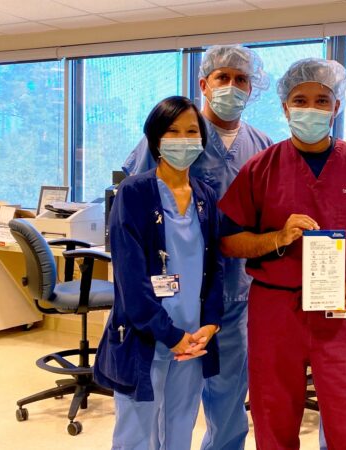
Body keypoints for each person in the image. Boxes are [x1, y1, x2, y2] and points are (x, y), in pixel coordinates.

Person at [218, 57, 346, 450]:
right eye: (301, 100)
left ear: (336, 107)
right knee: (273, 412)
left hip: (339, 306)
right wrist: (277, 238)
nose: (311, 108)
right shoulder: (260, 168)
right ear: (285, 107)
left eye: (322, 100)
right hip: (274, 309)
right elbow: (229, 240)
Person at [122, 45, 273, 450]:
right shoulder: (174, 132)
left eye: (241, 79)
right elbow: (133, 210)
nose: (232, 86)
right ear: (204, 83)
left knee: (226, 398)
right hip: (168, 299)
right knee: (152, 407)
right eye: (222, 77)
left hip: (233, 295)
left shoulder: (262, 145)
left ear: (252, 87)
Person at [94, 96, 224, 450]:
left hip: (194, 337)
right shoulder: (134, 193)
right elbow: (131, 281)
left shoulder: (205, 196)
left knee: (181, 427)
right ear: (155, 139)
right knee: (137, 432)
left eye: (191, 132)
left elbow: (215, 268)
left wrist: (210, 324)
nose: (183, 139)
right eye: (173, 131)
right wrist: (170, 334)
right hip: (147, 333)